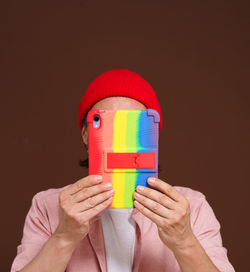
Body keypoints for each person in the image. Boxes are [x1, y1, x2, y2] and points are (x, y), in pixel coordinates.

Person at [11, 69, 235, 272]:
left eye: (133, 124)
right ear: (86, 134)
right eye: (107, 123)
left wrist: (185, 241)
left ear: (152, 134)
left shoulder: (192, 208)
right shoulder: (47, 206)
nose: (120, 139)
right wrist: (63, 237)